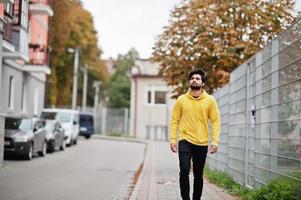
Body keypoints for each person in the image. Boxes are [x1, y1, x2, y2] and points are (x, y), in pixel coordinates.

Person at [169, 68, 220, 200]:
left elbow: (215, 121)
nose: (194, 80)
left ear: (202, 83)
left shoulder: (210, 100)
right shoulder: (181, 100)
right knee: (184, 171)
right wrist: (172, 140)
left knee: (198, 175)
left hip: (202, 142)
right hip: (185, 140)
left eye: (197, 78)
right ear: (189, 82)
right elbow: (174, 121)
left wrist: (215, 141)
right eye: (192, 78)